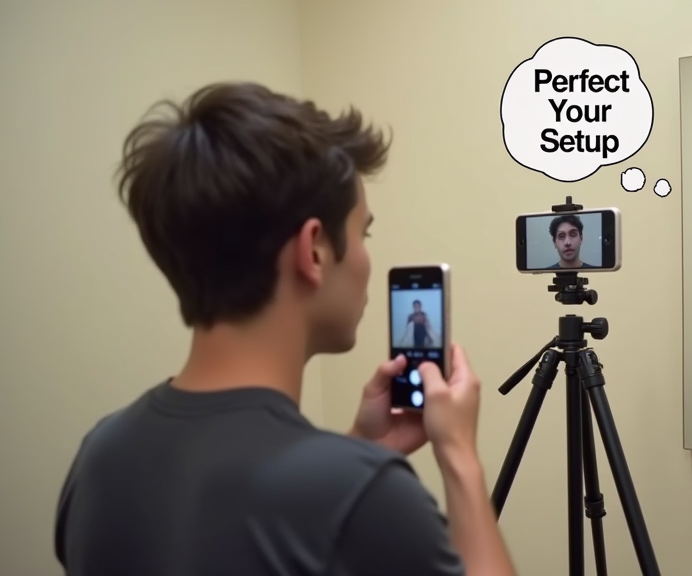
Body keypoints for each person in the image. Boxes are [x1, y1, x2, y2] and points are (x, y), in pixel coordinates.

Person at [53, 82, 517, 576]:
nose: (365, 256)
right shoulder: (369, 496)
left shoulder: (100, 455)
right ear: (314, 251)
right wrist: (459, 455)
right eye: (364, 232)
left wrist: (361, 445)